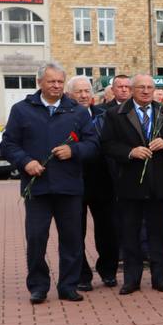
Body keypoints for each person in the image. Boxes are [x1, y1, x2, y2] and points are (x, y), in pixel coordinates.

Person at [0, 63, 99, 303]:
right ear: (39, 82)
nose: (56, 86)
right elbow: (8, 144)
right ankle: (38, 286)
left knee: (72, 239)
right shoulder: (21, 110)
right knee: (36, 239)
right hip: (37, 188)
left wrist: (74, 150)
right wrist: (25, 162)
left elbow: (94, 144)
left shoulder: (77, 111)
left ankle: (68, 286)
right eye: (51, 81)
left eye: (60, 82)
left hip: (69, 187)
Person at [100, 74, 163, 295]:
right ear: (132, 90)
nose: (145, 91)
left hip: (158, 183)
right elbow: (107, 144)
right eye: (141, 87)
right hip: (129, 183)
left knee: (159, 234)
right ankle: (132, 280)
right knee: (130, 233)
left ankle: (160, 278)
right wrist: (129, 152)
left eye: (149, 87)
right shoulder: (115, 114)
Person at [68, 77, 119, 291]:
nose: (83, 95)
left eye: (86, 91)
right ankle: (82, 275)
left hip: (103, 180)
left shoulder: (104, 115)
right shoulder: (64, 116)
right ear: (69, 95)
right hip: (74, 180)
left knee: (108, 230)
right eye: (78, 91)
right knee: (75, 231)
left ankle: (108, 270)